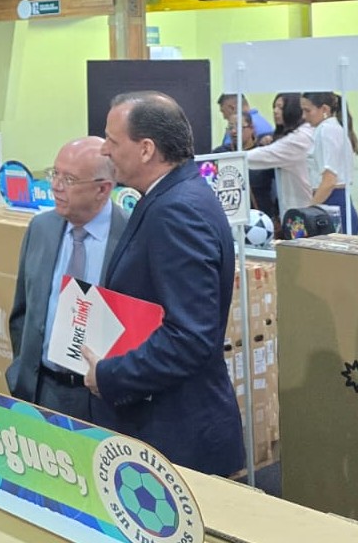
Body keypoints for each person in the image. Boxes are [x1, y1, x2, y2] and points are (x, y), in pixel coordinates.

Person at [86, 91, 243, 477]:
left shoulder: (177, 211)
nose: (104, 149)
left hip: (177, 433)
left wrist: (110, 376)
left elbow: (189, 337)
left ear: (146, 149)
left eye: (112, 140)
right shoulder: (168, 197)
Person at [6, 137, 127, 421]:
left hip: (104, 401)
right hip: (41, 392)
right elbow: (22, 312)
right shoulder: (41, 228)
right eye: (55, 174)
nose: (56, 186)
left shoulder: (131, 236)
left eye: (69, 179)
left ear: (102, 189)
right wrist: (21, 373)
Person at [245, 94, 315, 228]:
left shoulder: (298, 139)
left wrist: (230, 158)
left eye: (280, 107)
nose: (275, 111)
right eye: (274, 107)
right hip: (299, 209)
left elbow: (263, 156)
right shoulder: (299, 134)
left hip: (303, 210)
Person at [301, 91, 358, 234]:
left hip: (332, 204)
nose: (303, 116)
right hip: (334, 202)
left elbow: (329, 180)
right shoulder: (330, 128)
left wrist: (309, 211)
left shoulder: (327, 130)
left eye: (307, 110)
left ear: (325, 109)